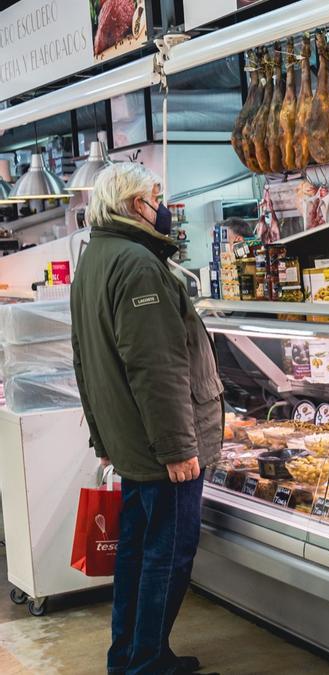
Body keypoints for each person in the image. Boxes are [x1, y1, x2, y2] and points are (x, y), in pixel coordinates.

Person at [70, 163, 222, 675]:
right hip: (162, 449)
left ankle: (130, 656)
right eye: (156, 196)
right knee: (167, 556)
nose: (163, 205)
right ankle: (149, 663)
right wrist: (180, 448)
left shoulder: (96, 259)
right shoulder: (137, 265)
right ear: (137, 205)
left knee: (137, 554)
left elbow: (84, 359)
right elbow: (156, 367)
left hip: (133, 442)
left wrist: (102, 437)